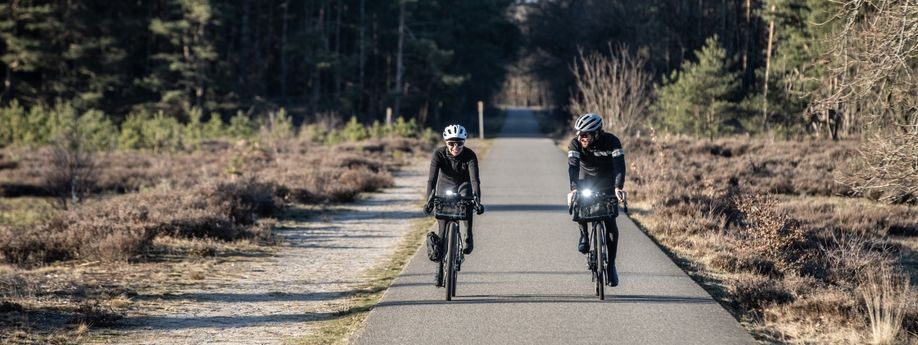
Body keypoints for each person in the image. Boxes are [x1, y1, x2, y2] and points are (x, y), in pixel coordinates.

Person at [567, 113, 626, 286]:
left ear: (597, 133)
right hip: (586, 181)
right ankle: (584, 234)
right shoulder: (575, 144)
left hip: (608, 183)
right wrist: (573, 189)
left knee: (610, 223)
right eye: (579, 133)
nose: (581, 137)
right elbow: (572, 168)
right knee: (579, 204)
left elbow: (619, 166)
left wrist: (618, 187)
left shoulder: (612, 142)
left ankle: (611, 266)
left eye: (585, 134)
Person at [424, 124, 484, 284]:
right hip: (444, 187)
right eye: (451, 143)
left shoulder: (470, 155)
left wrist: (478, 200)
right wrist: (428, 200)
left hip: (464, 185)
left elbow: (474, 180)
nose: (455, 147)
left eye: (459, 143)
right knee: (442, 233)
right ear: (446, 142)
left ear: (464, 142)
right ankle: (439, 269)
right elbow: (431, 180)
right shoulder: (438, 154)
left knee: (467, 201)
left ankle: (468, 234)